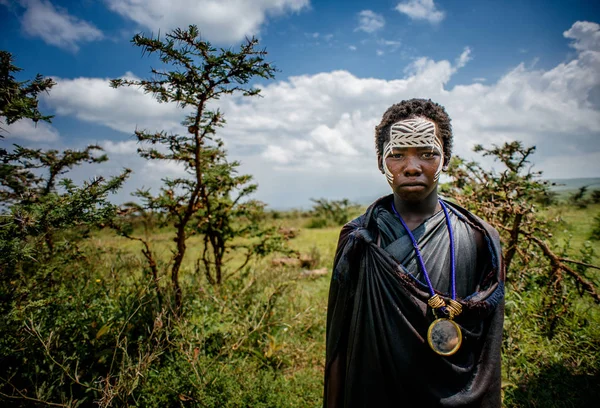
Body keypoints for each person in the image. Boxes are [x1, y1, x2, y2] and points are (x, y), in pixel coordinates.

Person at [323, 98, 505, 408]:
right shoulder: (360, 238)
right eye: (397, 155)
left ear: (445, 158)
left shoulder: (478, 237)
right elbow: (339, 342)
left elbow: (487, 351)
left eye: (426, 154)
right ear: (381, 161)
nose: (411, 167)